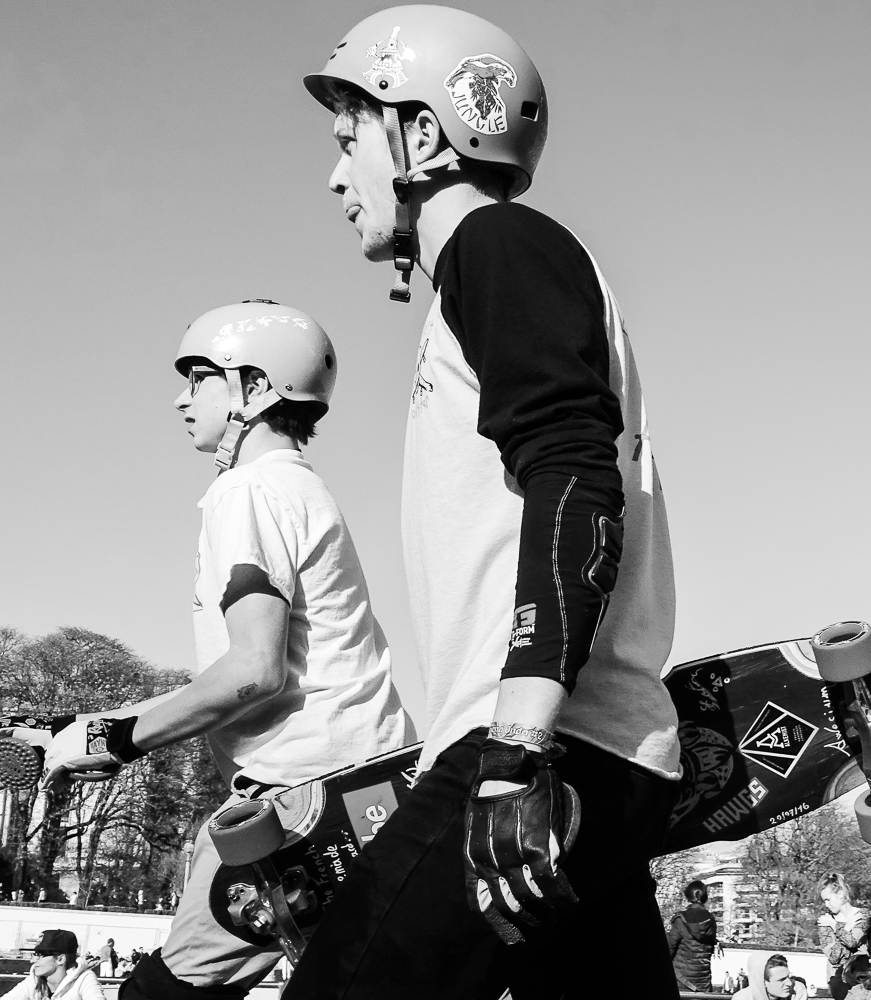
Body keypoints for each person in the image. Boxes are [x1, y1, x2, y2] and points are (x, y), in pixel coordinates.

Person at [287, 7, 682, 998]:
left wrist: (514, 748)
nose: (336, 177)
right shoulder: (482, 277)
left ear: (421, 133)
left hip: (540, 755)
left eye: (349, 141)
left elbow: (572, 470)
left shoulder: (499, 245)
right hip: (579, 753)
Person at [8, 302, 415, 1000]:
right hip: (364, 786)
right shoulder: (296, 487)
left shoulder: (247, 492)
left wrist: (116, 741)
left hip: (300, 807)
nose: (180, 397)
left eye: (198, 377)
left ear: (253, 391)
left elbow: (253, 672)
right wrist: (92, 730)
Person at [4, 931, 104, 1000]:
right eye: (34, 955)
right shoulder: (34, 980)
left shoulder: (84, 978)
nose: (32, 961)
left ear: (60, 959)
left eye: (39, 956)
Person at [820, 873, 871, 999]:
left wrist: (835, 926)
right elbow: (833, 958)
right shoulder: (825, 922)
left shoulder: (862, 915)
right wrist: (846, 927)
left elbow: (853, 942)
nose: (826, 905)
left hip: (863, 977)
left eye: (828, 899)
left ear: (841, 895)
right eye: (824, 901)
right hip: (838, 979)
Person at [668, 880, 722, 993]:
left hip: (681, 981)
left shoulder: (681, 920)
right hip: (703, 983)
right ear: (705, 897)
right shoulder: (710, 921)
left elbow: (668, 949)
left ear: (687, 896)